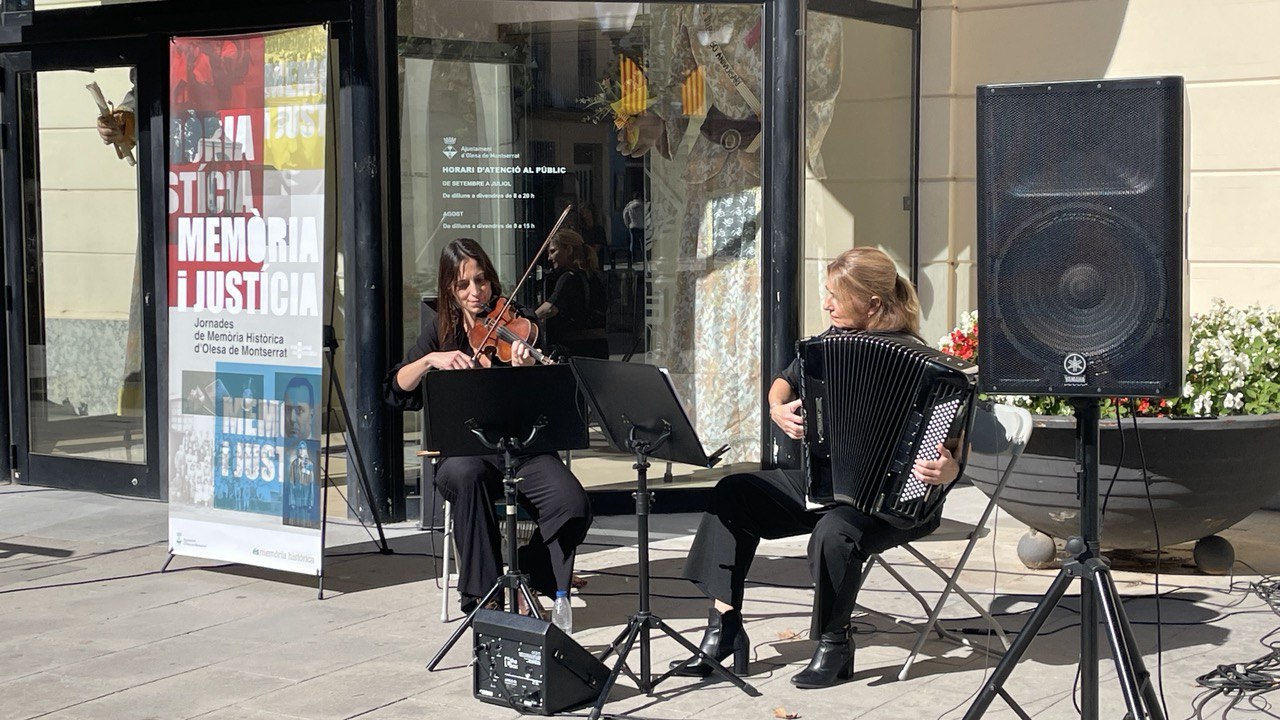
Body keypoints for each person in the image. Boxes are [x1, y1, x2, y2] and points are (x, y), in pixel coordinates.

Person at [670, 247, 962, 688]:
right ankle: (724, 626)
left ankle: (835, 645)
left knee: (834, 532)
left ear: (873, 303)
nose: (826, 304)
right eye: (826, 294)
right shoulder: (827, 346)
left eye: (835, 296)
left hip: (895, 501)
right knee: (734, 494)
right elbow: (783, 382)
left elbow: (957, 450)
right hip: (821, 484)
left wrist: (949, 470)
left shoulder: (927, 366)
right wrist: (776, 409)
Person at [383, 238, 593, 614]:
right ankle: (486, 597)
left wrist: (527, 373)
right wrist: (432, 360)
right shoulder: (441, 333)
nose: (475, 293)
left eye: (481, 281)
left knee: (572, 503)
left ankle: (532, 569)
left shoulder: (518, 322)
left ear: (492, 280)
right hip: (466, 453)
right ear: (450, 288)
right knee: (467, 477)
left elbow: (554, 395)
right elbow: (396, 389)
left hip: (522, 450)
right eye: (463, 285)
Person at [535, 229, 609, 359]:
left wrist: (527, 320)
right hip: (599, 347)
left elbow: (550, 308)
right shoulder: (595, 275)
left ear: (568, 250)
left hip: (577, 348)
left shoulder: (569, 278)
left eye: (553, 251)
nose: (549, 258)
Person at [622, 192, 645, 263]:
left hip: (633, 226)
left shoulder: (629, 206)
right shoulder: (642, 205)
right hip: (641, 226)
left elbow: (625, 215)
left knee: (633, 243)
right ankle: (644, 257)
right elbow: (646, 214)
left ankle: (633, 258)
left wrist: (627, 224)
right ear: (639, 197)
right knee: (643, 243)